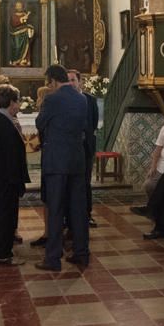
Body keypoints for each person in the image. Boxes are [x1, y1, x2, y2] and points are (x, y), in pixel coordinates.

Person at [35, 65, 90, 271]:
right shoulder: (81, 99)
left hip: (57, 161)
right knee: (78, 209)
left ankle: (53, 259)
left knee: (56, 209)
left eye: (49, 83)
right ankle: (81, 253)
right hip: (77, 160)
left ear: (53, 81)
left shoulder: (52, 99)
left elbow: (40, 123)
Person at [0, 84, 29, 266]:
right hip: (6, 178)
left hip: (1, 177)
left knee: (4, 213)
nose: (18, 106)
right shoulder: (2, 123)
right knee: (6, 215)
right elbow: (9, 155)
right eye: (17, 102)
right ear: (11, 102)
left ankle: (1, 250)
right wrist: (15, 180)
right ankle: (3, 253)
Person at [67, 70, 100, 227]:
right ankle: (69, 217)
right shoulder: (64, 100)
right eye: (68, 80)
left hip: (86, 148)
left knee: (85, 182)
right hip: (69, 150)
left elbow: (92, 124)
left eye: (73, 80)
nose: (71, 83)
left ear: (80, 82)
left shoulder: (90, 100)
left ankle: (87, 215)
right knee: (69, 182)